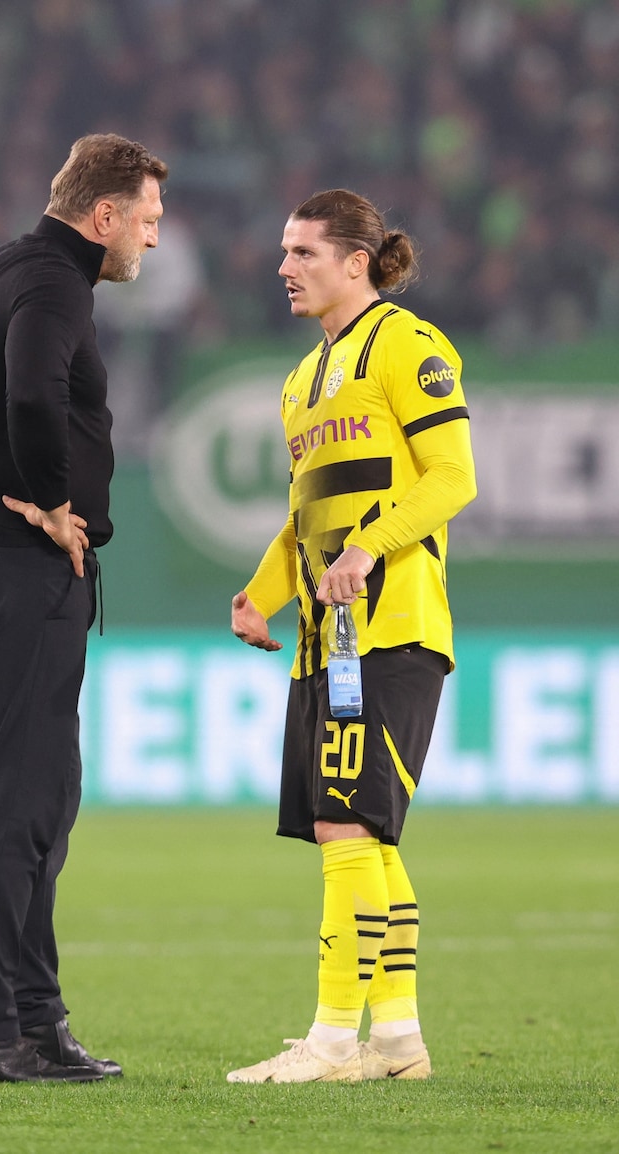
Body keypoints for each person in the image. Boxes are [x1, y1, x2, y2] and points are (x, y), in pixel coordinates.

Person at [0, 133, 168, 1083]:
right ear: (102, 215)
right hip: (14, 566)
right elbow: (31, 394)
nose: (152, 236)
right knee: (19, 803)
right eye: (145, 219)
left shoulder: (1, 267)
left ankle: (33, 1020)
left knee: (39, 798)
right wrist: (48, 501)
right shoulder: (57, 285)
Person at [226, 189, 477, 1084]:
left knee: (344, 824)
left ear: (355, 263)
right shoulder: (302, 380)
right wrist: (259, 595)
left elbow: (452, 478)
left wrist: (371, 547)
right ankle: (399, 1043)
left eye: (302, 253)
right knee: (367, 833)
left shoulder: (409, 346)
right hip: (325, 640)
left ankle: (332, 1041)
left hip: (394, 628)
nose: (284, 267)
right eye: (284, 252)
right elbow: (305, 518)